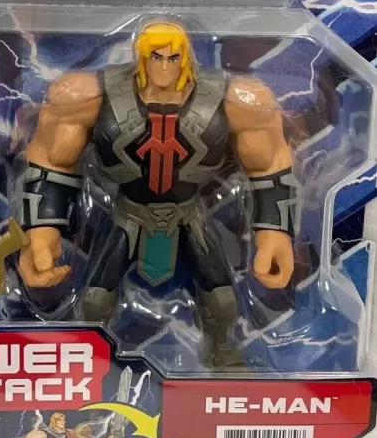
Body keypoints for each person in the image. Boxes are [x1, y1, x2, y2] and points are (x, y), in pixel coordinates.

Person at [15, 21, 298, 361]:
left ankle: (221, 351)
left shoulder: (236, 100)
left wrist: (274, 232)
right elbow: (52, 159)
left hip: (189, 214)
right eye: (156, 57)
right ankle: (91, 356)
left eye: (173, 58)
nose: (164, 67)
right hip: (129, 214)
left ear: (186, 58)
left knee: (222, 298)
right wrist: (41, 230)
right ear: (141, 57)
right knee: (95, 301)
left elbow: (268, 163)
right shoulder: (87, 96)